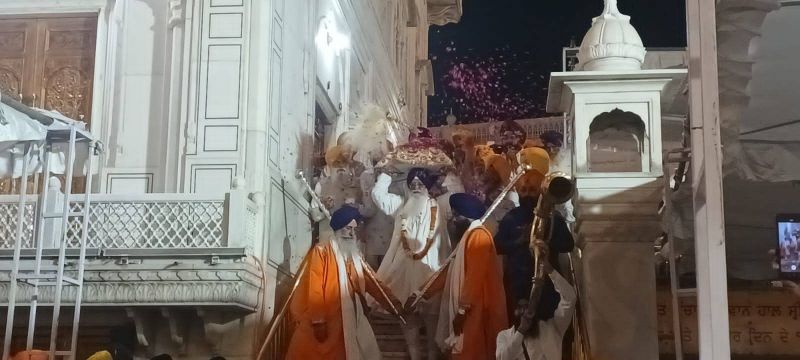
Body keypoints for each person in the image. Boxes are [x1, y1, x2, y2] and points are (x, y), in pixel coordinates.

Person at [286, 206, 404, 359]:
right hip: (327, 321)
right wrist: (318, 321)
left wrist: (394, 304)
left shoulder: (356, 257)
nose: (351, 233)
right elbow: (315, 288)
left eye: (354, 230)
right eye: (348, 228)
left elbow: (373, 283)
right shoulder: (322, 251)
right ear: (339, 228)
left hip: (352, 318)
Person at [405, 193, 508, 360]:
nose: (452, 220)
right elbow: (447, 271)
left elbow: (475, 276)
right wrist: (421, 294)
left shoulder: (479, 236)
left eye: (456, 215)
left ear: (467, 217)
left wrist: (462, 310)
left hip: (477, 308)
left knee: (472, 351)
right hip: (468, 307)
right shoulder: (467, 236)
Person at [372, 167, 451, 360]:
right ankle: (414, 356)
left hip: (431, 269)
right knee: (407, 318)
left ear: (427, 187)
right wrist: (386, 174)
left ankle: (432, 356)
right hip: (403, 271)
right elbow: (378, 195)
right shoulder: (401, 206)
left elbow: (455, 198)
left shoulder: (439, 206)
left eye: (421, 184)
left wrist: (450, 175)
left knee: (432, 320)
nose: (416, 188)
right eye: (412, 184)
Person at [495, 248, 576, 360]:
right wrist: (521, 331)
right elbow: (502, 358)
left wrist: (550, 270)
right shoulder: (505, 336)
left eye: (527, 306)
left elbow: (570, 298)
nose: (525, 312)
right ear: (514, 312)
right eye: (520, 308)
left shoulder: (552, 328)